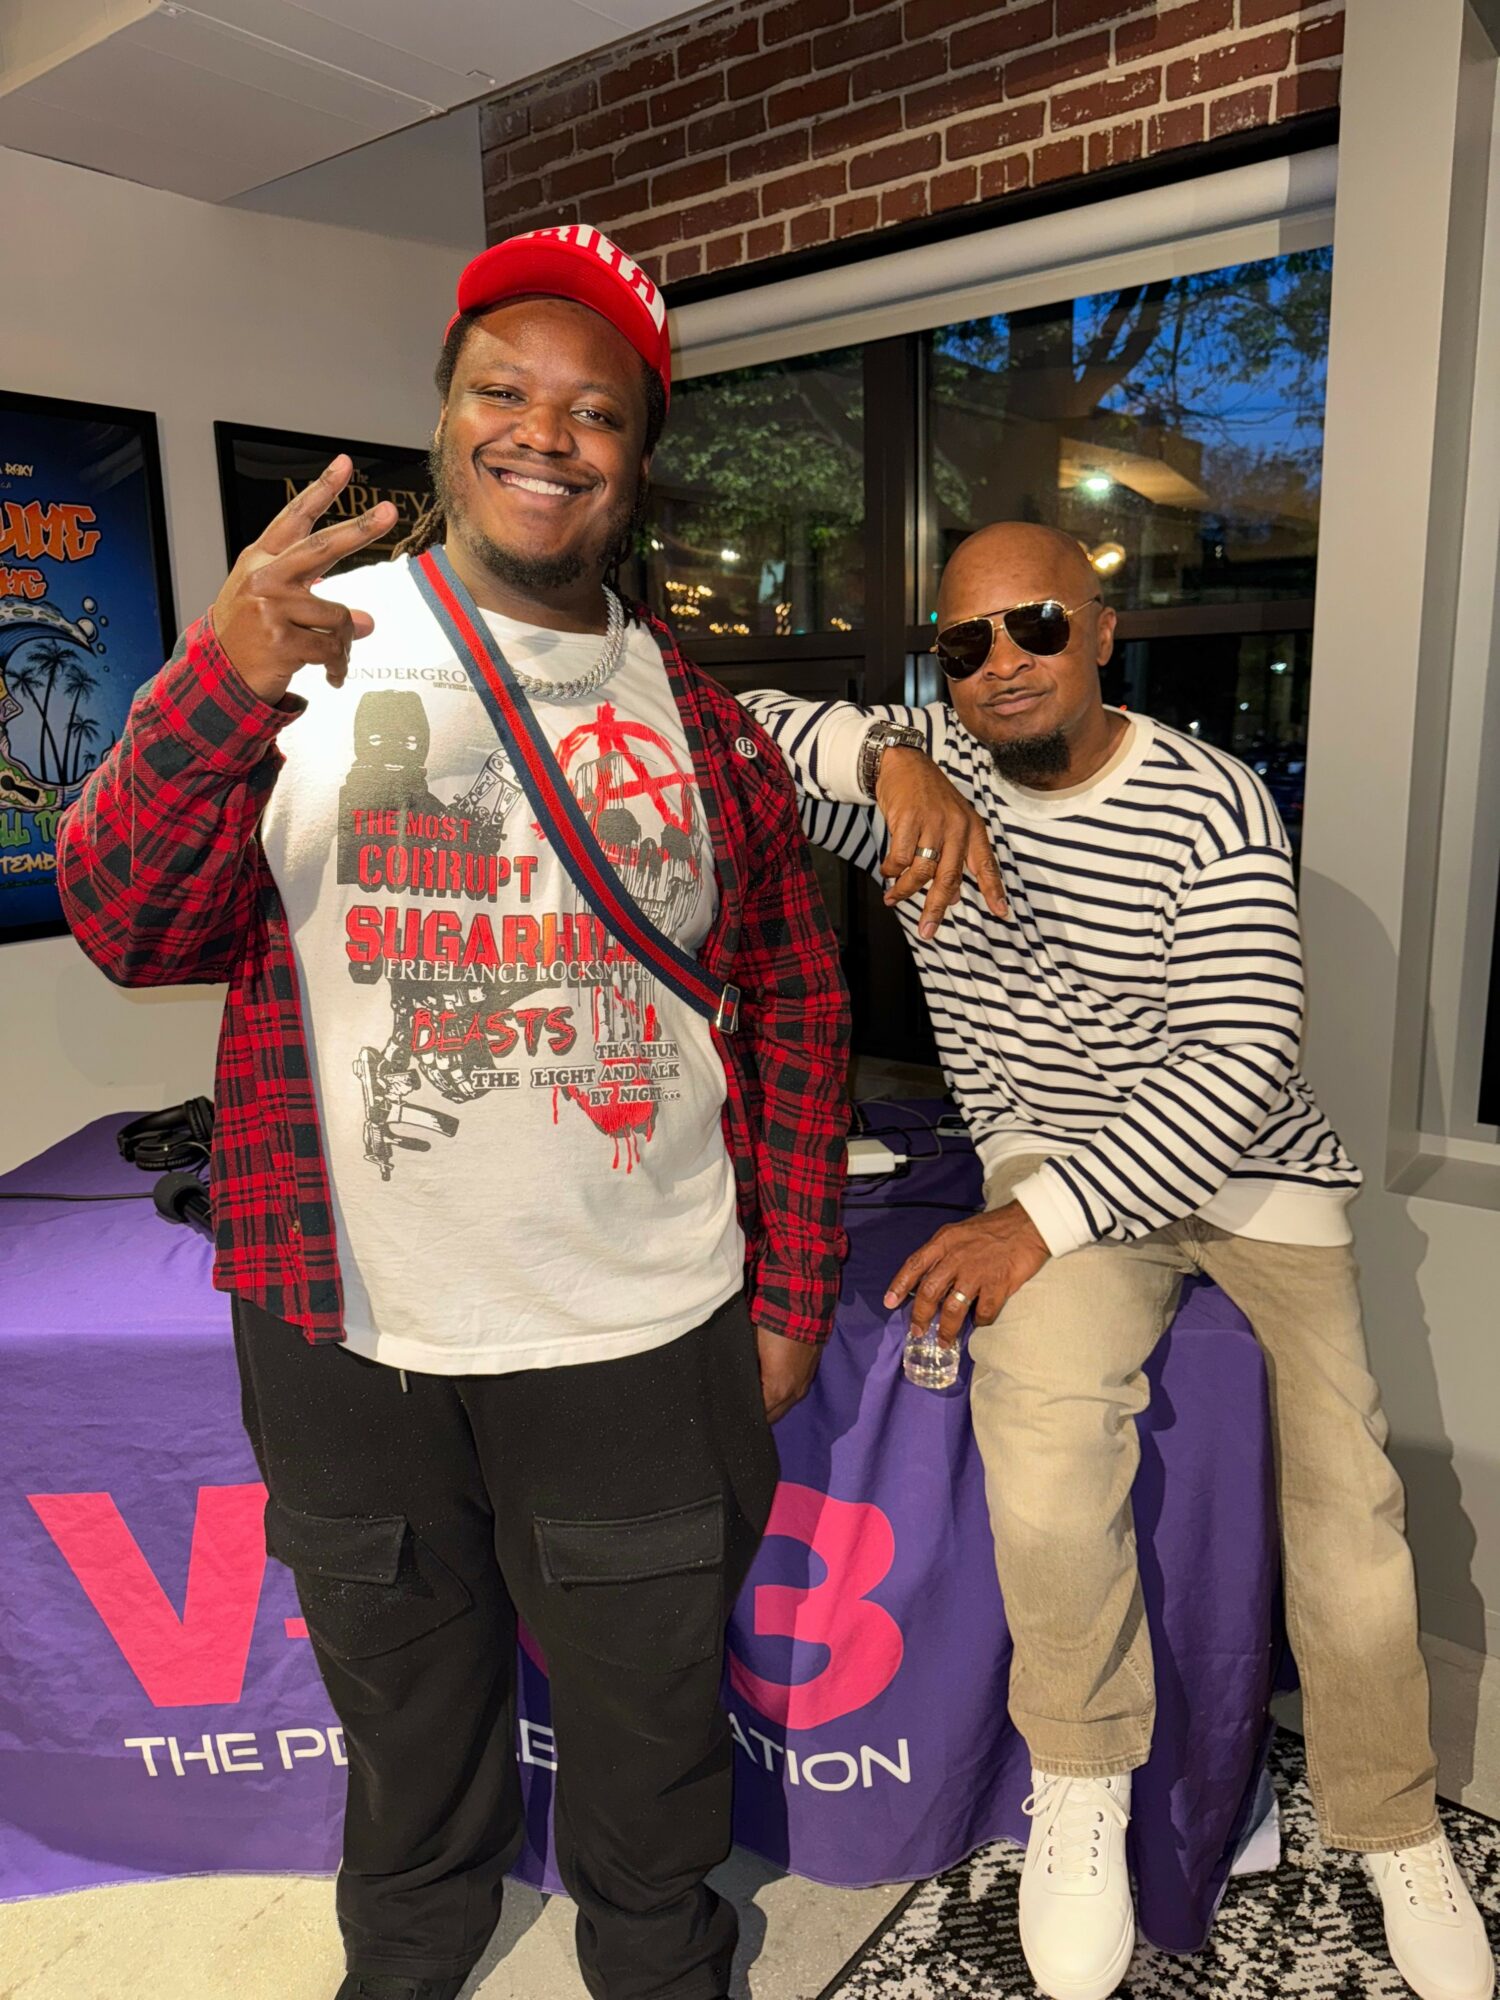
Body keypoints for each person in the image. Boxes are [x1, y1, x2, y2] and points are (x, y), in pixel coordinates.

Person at [57, 224, 850, 2000]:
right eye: (506, 390)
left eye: (594, 412)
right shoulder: (312, 656)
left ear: (636, 459)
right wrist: (216, 677)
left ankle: (659, 1959)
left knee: (649, 1718)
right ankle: (407, 1956)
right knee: (403, 1697)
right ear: (446, 414)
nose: (544, 434)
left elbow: (796, 1005)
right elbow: (125, 923)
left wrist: (792, 1283)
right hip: (345, 1319)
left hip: (643, 1327)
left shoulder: (702, 725)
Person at [744, 520, 1494, 2000]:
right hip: (1054, 1164)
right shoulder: (933, 782)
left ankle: (1393, 1828)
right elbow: (742, 731)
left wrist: (1037, 1220)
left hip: (1247, 1175)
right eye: (962, 646)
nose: (1001, 664)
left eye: (1031, 628)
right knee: (1041, 1436)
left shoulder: (1209, 804)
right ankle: (1079, 1780)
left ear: (1101, 631)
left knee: (1351, 1492)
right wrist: (893, 753)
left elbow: (1236, 1062)